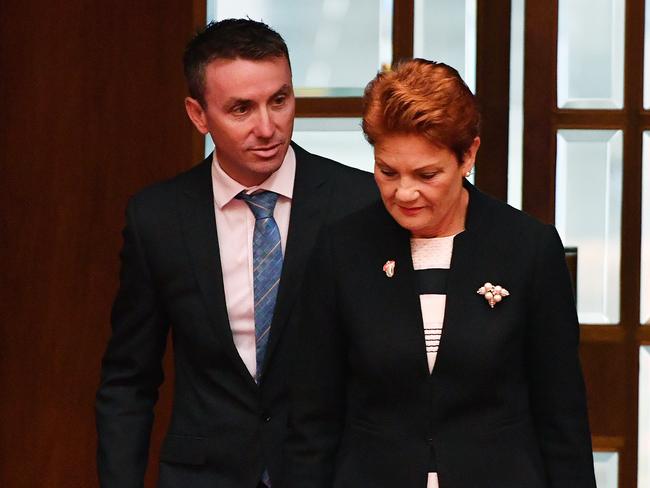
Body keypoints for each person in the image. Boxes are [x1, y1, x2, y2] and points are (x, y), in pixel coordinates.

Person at [284, 59, 597, 488]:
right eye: (387, 171)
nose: (404, 192)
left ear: (468, 155)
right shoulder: (343, 250)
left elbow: (561, 417)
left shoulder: (527, 249)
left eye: (427, 174)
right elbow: (312, 418)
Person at [95, 19, 377, 488]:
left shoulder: (358, 202)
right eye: (241, 109)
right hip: (203, 474)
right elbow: (129, 379)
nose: (267, 127)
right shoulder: (158, 218)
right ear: (198, 114)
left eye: (280, 101)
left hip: (328, 471)